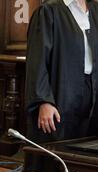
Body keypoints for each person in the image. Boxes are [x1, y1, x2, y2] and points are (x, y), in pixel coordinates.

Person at [26, 0, 98, 144]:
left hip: (92, 95)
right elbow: (37, 61)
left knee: (84, 152)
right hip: (60, 94)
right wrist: (44, 101)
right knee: (56, 152)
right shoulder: (48, 11)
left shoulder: (95, 10)